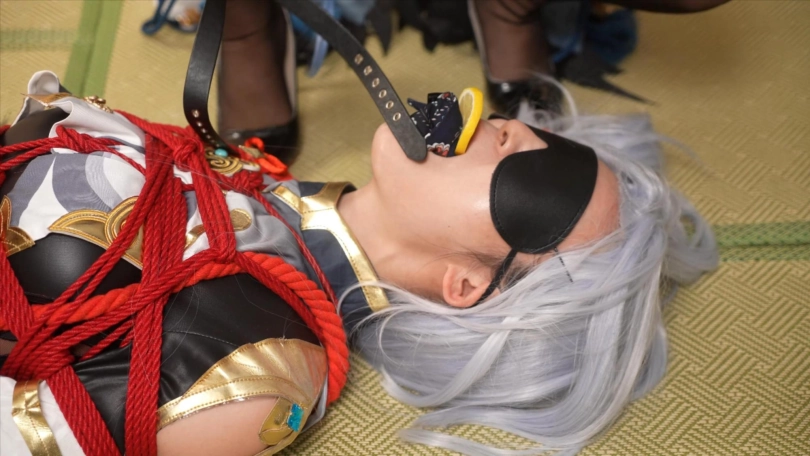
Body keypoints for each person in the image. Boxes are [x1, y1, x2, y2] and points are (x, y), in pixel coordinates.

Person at [0, 65, 716, 455]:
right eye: (530, 132)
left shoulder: (255, 378)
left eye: (536, 181)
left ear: (466, 284)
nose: (502, 127)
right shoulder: (252, 180)